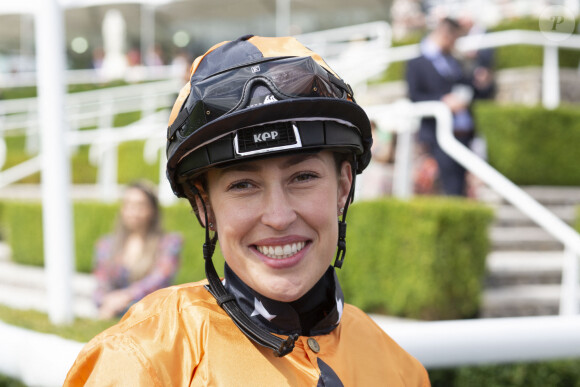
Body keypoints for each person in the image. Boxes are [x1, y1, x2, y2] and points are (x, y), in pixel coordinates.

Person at [65, 35, 430, 386]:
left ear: (343, 186)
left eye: (302, 177)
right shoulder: (141, 362)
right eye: (243, 185)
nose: (278, 216)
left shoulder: (401, 370)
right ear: (203, 205)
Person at [406, 17, 493, 196]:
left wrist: (484, 83)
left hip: (465, 134)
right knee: (447, 187)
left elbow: (474, 91)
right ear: (446, 35)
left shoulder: (456, 62)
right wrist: (443, 101)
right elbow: (415, 97)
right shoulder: (416, 64)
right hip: (437, 136)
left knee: (461, 188)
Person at [92, 180, 182, 319]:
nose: (133, 211)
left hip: (151, 312)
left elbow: (159, 280)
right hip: (113, 310)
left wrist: (126, 296)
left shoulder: (169, 243)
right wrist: (107, 301)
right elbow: (101, 282)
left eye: (140, 205)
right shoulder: (107, 244)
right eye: (128, 204)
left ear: (152, 209)